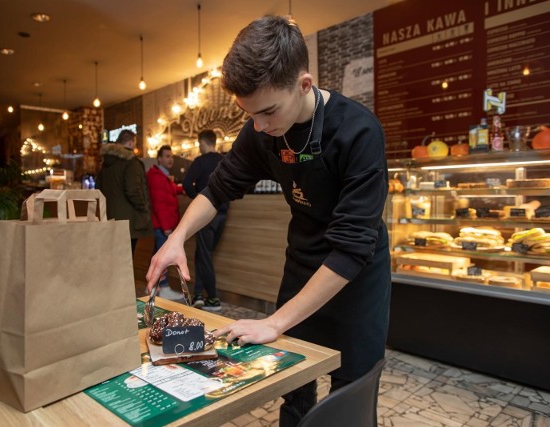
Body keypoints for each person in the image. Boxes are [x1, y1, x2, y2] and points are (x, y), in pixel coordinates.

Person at [146, 15, 390, 426]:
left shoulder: (359, 132)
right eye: (250, 115)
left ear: (304, 85)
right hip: (302, 261)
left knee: (352, 388)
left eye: (268, 112)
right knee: (292, 380)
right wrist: (177, 236)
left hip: (357, 275)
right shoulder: (261, 130)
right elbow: (217, 189)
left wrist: (274, 322)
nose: (259, 126)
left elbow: (351, 249)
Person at [182, 130, 228, 311]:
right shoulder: (224, 160)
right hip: (222, 214)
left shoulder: (200, 162)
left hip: (205, 215)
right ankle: (199, 295)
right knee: (204, 253)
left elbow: (186, 184)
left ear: (202, 142)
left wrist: (198, 199)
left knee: (204, 254)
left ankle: (213, 298)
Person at [96, 129, 152, 254]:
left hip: (109, 217)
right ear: (131, 143)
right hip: (128, 220)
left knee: (114, 257)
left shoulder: (105, 163)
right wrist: (144, 208)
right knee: (127, 258)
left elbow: (97, 188)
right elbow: (133, 190)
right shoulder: (131, 162)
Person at [146, 145, 185, 301]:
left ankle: (153, 288)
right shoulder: (156, 176)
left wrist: (183, 189)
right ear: (159, 159)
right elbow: (159, 203)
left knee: (158, 258)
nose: (170, 159)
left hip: (162, 225)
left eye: (171, 156)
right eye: (167, 156)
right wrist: (167, 227)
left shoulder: (162, 175)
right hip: (162, 226)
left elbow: (170, 190)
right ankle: (164, 288)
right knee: (164, 259)